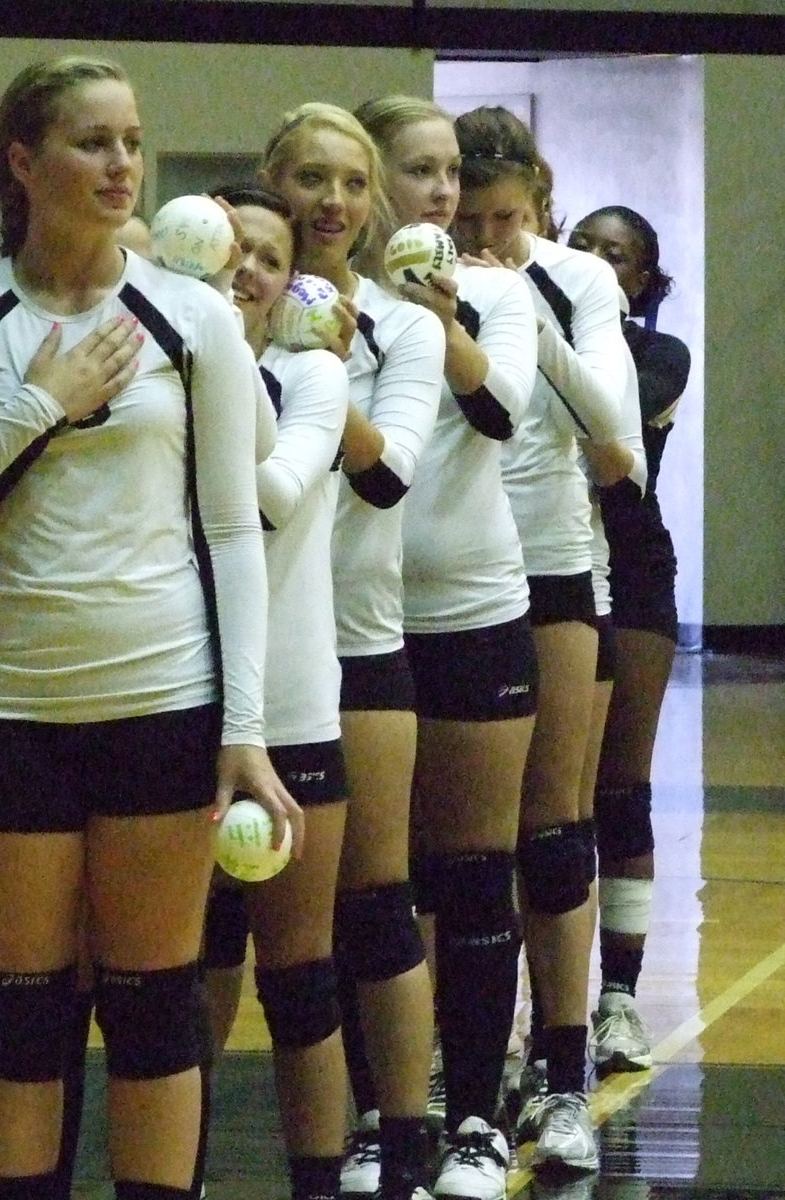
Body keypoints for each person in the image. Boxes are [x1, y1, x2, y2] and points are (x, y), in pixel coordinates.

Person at [0, 56, 302, 1200]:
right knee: (20, 1015)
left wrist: (243, 729)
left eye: (133, 141)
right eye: (93, 142)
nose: (123, 165)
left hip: (161, 700)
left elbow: (233, 528)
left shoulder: (191, 315)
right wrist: (36, 408)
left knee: (156, 1010)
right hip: (5, 708)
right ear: (22, 161)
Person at [347, 96, 538, 1200]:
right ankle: (386, 1117)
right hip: (361, 624)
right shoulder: (333, 302)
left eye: (450, 171)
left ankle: (474, 1118)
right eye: (418, 170)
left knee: (473, 874)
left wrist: (447, 319)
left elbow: (502, 409)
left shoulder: (498, 292)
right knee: (379, 887)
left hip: (473, 609)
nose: (442, 190)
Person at [260, 101, 446, 1200]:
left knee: (377, 905)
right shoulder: (226, 312)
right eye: (310, 178)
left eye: (352, 183)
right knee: (222, 933)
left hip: (362, 645)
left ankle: (404, 1140)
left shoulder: (400, 328)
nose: (332, 202)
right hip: (239, 656)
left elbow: (387, 477)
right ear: (272, 183)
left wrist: (322, 369)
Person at [451, 105, 628, 1175]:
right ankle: (462, 1069)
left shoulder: (577, 279)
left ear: (540, 207)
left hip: (553, 561)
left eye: (506, 218)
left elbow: (615, 439)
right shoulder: (419, 282)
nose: (484, 238)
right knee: (452, 852)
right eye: (467, 219)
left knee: (554, 827)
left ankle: (565, 1079)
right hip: (445, 576)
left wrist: (525, 304)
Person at [198, 182, 351, 1200]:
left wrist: (222, 369)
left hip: (289, 708)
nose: (246, 271)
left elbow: (273, 498)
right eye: (231, 252)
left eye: (268, 258)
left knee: (298, 978)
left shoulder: (312, 376)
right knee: (177, 977)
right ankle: (179, 1174)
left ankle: (319, 1186)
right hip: (176, 703)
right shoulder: (158, 372)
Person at [567, 207, 691, 1075]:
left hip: (635, 571)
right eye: (583, 246)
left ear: (641, 280)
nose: (597, 261)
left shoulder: (661, 354)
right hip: (548, 570)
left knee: (621, 789)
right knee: (545, 806)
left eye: (617, 255)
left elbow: (606, 417)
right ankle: (518, 1022)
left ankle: (618, 1001)